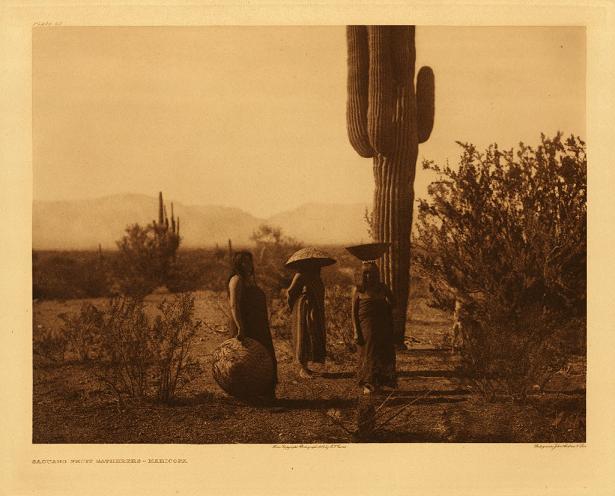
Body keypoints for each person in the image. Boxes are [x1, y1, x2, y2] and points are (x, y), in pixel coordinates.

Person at [228, 251, 277, 399]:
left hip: (259, 326)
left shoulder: (249, 280)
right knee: (247, 360)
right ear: (238, 263)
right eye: (244, 262)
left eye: (249, 261)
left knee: (264, 358)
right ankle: (248, 394)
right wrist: (241, 327)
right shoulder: (236, 280)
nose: (248, 265)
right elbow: (234, 306)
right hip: (246, 326)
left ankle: (264, 392)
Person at [352, 262, 397, 394]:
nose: (368, 275)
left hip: (383, 325)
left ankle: (379, 382)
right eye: (365, 272)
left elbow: (394, 302)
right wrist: (356, 331)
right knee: (368, 353)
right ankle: (367, 384)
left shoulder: (383, 288)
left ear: (376, 274)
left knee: (382, 352)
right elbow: (353, 313)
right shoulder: (358, 289)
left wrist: (384, 308)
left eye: (371, 272)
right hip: (366, 327)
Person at [286, 262, 327, 379]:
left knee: (312, 335)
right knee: (303, 334)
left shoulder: (316, 275)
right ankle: (302, 369)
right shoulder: (300, 274)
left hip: (314, 308)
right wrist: (292, 307)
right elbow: (290, 292)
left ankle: (306, 367)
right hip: (304, 307)